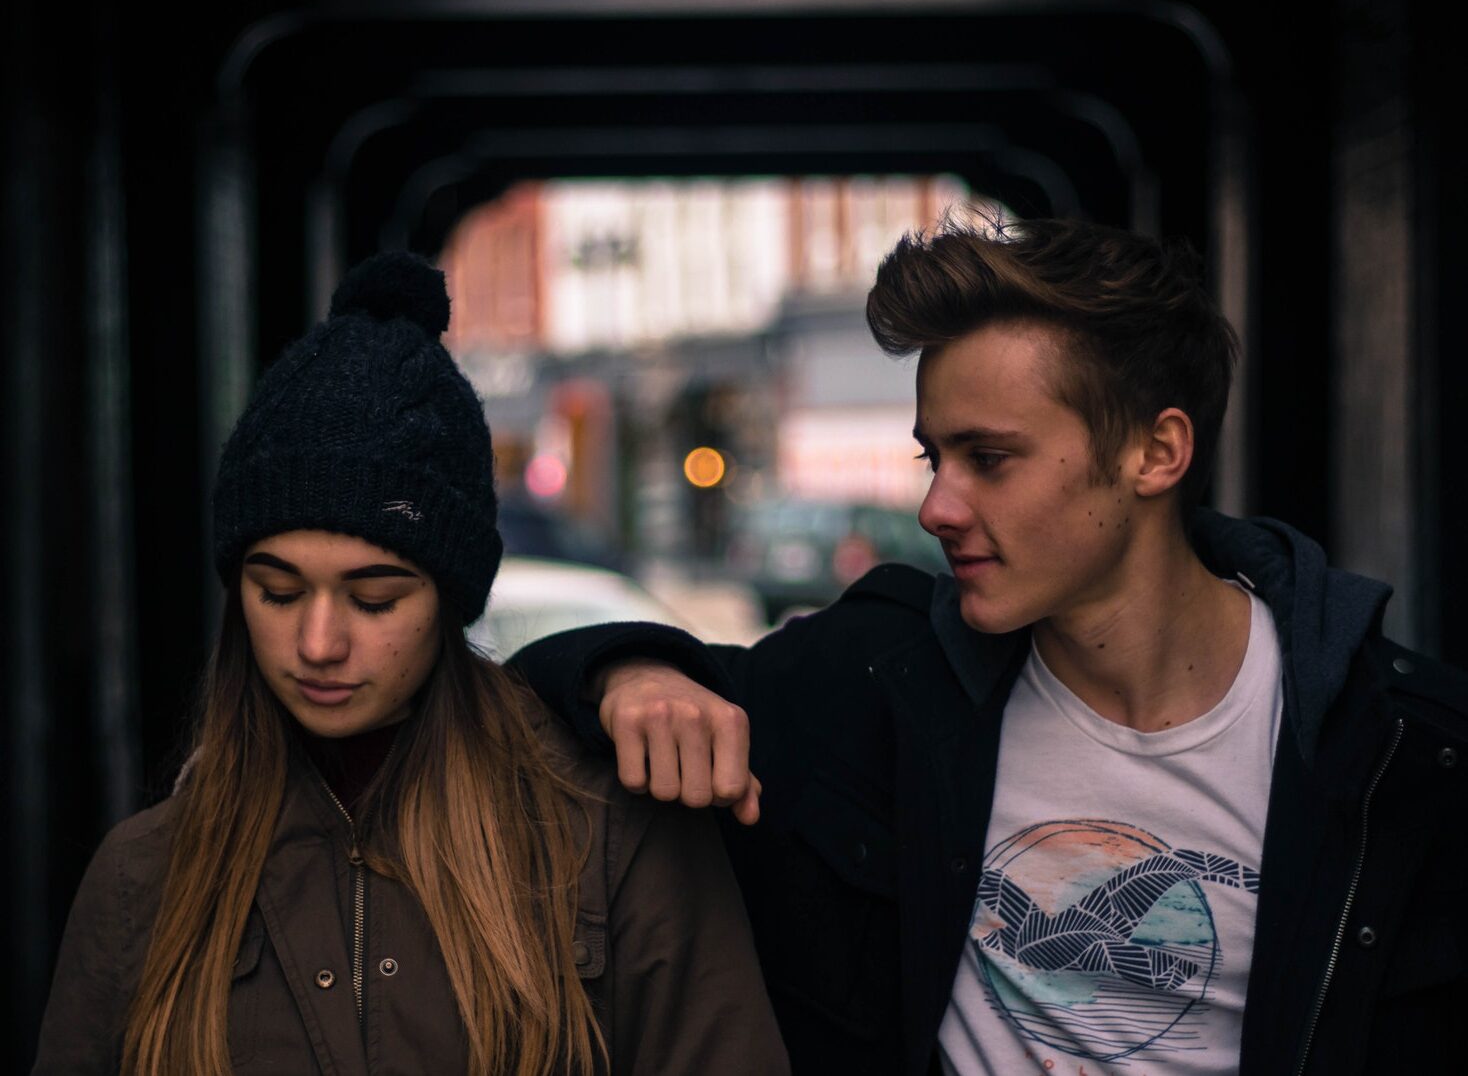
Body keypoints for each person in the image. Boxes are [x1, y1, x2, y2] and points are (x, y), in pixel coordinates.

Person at [510, 215, 1468, 1075]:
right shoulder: (886, 678)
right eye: (935, 459)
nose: (936, 508)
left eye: (991, 460)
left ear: (1156, 453)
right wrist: (630, 672)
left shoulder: (1395, 747)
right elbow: (514, 704)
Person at [32, 253, 789, 1076]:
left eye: (375, 598)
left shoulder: (610, 837)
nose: (319, 644)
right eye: (277, 592)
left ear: (449, 599)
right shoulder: (144, 875)